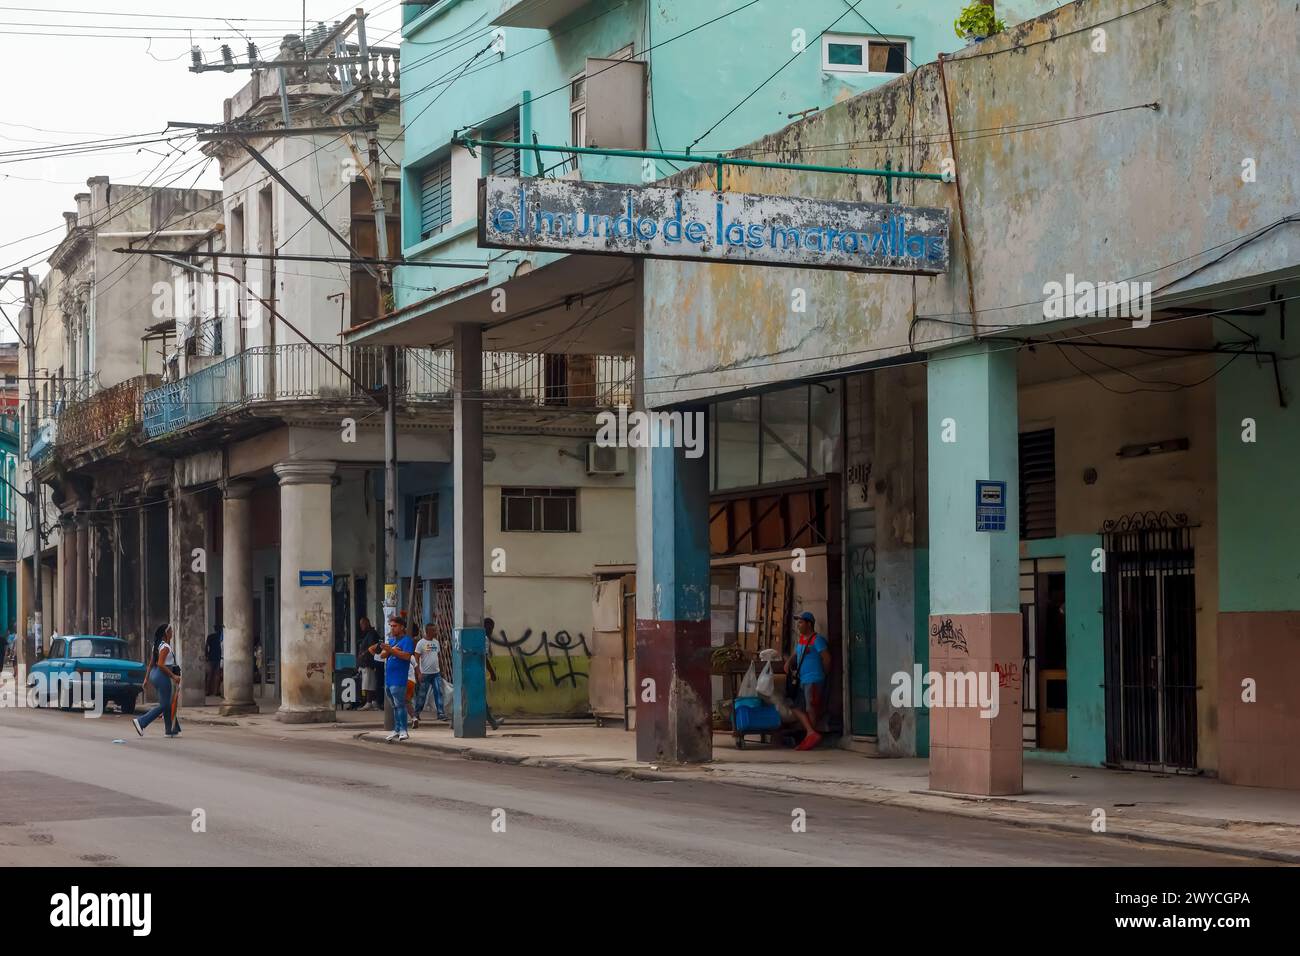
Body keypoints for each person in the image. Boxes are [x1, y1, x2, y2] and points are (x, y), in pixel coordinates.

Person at [785, 611, 830, 751]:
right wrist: (789, 662)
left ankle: (810, 736)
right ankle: (810, 733)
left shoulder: (817, 640)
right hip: (802, 680)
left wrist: (823, 674)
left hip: (814, 679)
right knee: (796, 706)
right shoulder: (802, 640)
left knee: (811, 708)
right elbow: (797, 652)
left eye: (801, 622)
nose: (798, 625)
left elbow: (827, 658)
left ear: (809, 623)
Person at [133, 624, 182, 738]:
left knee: (167, 703)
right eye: (171, 632)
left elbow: (151, 663)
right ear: (166, 633)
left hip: (154, 675)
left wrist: (146, 678)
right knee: (164, 704)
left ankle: (171, 729)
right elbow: (160, 664)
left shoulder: (157, 645)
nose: (172, 633)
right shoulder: (165, 647)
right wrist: (174, 677)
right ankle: (141, 722)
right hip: (161, 676)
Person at [372, 614, 414, 742]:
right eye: (391, 626)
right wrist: (384, 648)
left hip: (399, 679)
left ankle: (403, 730)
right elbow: (383, 655)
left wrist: (392, 650)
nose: (392, 629)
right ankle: (396, 729)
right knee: (394, 706)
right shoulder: (392, 640)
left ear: (402, 627)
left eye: (395, 626)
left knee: (400, 704)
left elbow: (407, 656)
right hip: (389, 679)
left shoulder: (407, 640)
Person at [413, 622, 446, 725]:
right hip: (425, 673)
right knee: (422, 694)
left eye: (435, 630)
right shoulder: (421, 643)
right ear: (428, 631)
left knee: (438, 693)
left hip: (436, 672)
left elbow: (439, 657)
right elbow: (416, 659)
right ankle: (417, 712)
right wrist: (418, 673)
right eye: (433, 630)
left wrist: (442, 669)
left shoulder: (436, 642)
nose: (436, 632)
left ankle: (440, 713)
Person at [482, 618, 503, 731]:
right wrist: (492, 672)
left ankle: (454, 722)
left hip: (469, 671)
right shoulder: (484, 638)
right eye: (491, 628)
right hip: (479, 672)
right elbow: (484, 657)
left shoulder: (476, 637)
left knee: (466, 697)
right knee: (480, 698)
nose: (491, 631)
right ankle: (492, 722)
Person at [355, 616, 380, 710]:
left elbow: (372, 647)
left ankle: (369, 702)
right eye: (360, 624)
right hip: (365, 663)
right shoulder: (367, 634)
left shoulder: (372, 634)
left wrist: (363, 654)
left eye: (363, 624)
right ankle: (372, 701)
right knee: (367, 683)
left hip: (369, 663)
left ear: (367, 623)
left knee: (369, 683)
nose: (361, 626)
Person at [204, 629, 223, 697]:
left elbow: (206, 646)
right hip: (217, 657)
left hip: (211, 657)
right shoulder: (220, 637)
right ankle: (216, 691)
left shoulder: (210, 636)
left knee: (210, 675)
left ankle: (208, 691)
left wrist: (206, 655)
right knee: (217, 676)